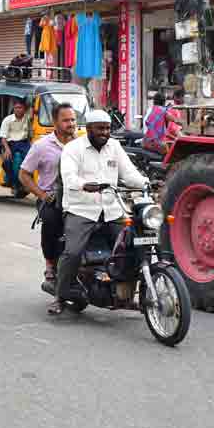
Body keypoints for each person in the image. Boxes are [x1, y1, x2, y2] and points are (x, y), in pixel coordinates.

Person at [49, 109, 148, 316]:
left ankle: (125, 294)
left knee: (134, 245)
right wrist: (85, 185)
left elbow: (128, 173)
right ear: (88, 129)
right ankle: (60, 294)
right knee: (73, 251)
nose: (104, 132)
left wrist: (146, 183)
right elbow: (68, 177)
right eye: (100, 128)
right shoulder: (73, 149)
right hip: (81, 209)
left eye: (107, 128)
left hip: (112, 210)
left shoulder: (114, 147)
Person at [19, 103, 77, 291]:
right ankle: (50, 265)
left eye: (73, 120)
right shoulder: (41, 146)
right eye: (66, 120)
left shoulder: (81, 145)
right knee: (51, 222)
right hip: (51, 199)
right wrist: (42, 195)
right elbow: (24, 174)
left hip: (77, 199)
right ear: (55, 122)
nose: (71, 124)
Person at [0, 98, 32, 192]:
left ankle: (24, 182)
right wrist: (7, 149)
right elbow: (3, 137)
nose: (18, 109)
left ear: (24, 109)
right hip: (10, 144)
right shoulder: (7, 120)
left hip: (23, 143)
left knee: (29, 161)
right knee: (7, 161)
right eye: (16, 107)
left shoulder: (27, 118)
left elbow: (33, 109)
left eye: (20, 107)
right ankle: (12, 181)